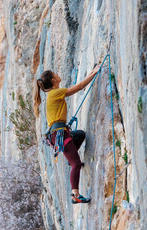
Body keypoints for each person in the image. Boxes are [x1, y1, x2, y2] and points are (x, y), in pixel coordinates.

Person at [34, 66, 100, 204]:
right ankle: (75, 194)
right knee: (76, 164)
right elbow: (80, 86)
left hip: (60, 132)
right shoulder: (55, 93)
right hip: (59, 135)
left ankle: (71, 159)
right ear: (53, 80)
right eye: (55, 74)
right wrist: (94, 71)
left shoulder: (52, 94)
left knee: (80, 135)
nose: (58, 74)